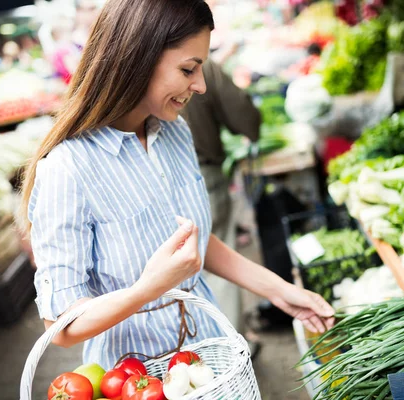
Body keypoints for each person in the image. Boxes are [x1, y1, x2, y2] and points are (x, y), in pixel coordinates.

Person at [19, 0, 334, 370]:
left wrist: (281, 291)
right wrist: (148, 287)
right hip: (137, 379)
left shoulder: (173, 131)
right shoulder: (68, 168)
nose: (200, 86)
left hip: (211, 354)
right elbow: (61, 325)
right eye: (188, 69)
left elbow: (192, 242)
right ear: (138, 58)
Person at [181, 58, 260, 336]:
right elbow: (244, 115)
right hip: (203, 177)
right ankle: (230, 351)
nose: (196, 86)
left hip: (182, 177)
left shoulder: (136, 67)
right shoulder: (202, 65)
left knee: (191, 269)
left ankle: (207, 355)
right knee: (217, 269)